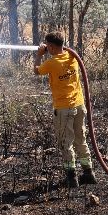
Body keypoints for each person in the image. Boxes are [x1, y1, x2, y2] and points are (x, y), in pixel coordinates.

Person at [34, 32, 96, 188]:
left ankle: (71, 177)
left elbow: (36, 70)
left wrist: (40, 55)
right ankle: (88, 173)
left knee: (65, 143)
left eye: (48, 45)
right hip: (79, 106)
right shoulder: (72, 57)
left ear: (52, 47)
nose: (46, 47)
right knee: (81, 140)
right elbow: (64, 52)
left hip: (64, 109)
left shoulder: (51, 63)